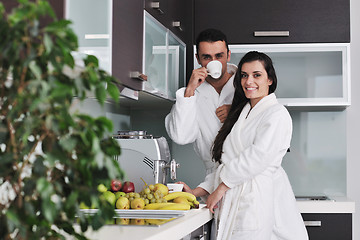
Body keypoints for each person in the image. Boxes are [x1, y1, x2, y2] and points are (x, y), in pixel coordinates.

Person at [182, 51, 309, 240]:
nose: (249, 81)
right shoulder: (243, 113)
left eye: (257, 75)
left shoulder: (277, 114)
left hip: (256, 199)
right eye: (244, 75)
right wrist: (195, 192)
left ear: (270, 80)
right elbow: (229, 163)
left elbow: (257, 157)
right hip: (237, 197)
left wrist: (221, 189)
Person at [165, 29, 237, 197]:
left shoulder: (246, 85)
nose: (214, 62)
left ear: (228, 55)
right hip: (213, 185)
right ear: (198, 59)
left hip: (249, 182)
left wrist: (236, 113)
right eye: (207, 57)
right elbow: (181, 137)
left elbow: (265, 127)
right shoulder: (192, 95)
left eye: (219, 56)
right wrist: (189, 90)